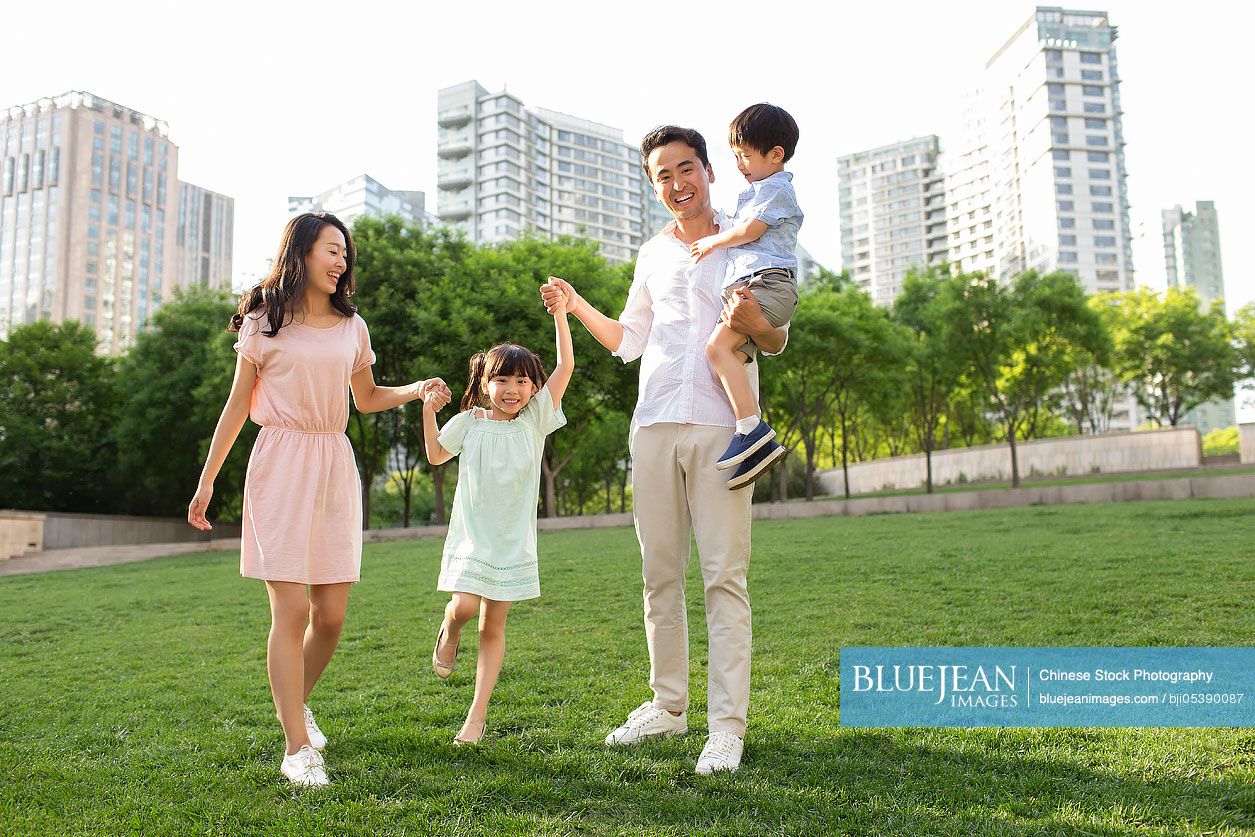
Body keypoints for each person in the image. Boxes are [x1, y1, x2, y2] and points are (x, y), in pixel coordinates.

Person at [541, 125, 788, 774]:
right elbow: (628, 338)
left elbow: (776, 334)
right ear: (654, 186)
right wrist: (573, 304)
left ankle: (726, 728)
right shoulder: (652, 253)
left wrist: (756, 321)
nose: (677, 184)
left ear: (709, 170)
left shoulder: (748, 231)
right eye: (662, 176)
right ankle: (668, 707)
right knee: (659, 577)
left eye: (686, 169)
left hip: (718, 427)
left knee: (722, 578)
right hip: (651, 426)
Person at [187, 212, 448, 787]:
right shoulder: (263, 322)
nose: (341, 261)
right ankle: (296, 747)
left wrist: (416, 389)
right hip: (279, 460)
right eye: (331, 250)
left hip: (334, 460)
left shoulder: (354, 328)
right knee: (292, 609)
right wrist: (208, 481)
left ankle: (293, 704)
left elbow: (368, 396)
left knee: (331, 615)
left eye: (345, 253)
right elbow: (236, 406)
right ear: (301, 252)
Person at [421, 295, 573, 744]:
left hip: (513, 543)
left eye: (523, 381)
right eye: (502, 379)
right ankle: (449, 631)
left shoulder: (535, 420)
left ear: (533, 387)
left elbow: (564, 367)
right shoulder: (469, 421)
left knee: (493, 625)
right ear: (484, 382)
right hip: (473, 538)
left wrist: (562, 314)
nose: (513, 388)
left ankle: (476, 716)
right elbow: (434, 456)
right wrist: (429, 412)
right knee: (466, 608)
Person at [688, 103, 802, 487]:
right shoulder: (756, 190)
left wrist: (711, 242)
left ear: (775, 155)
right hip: (752, 287)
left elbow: (751, 232)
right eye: (735, 156)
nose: (739, 164)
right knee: (726, 355)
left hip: (768, 284)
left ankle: (752, 430)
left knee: (716, 351)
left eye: (745, 156)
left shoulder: (777, 190)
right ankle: (752, 438)